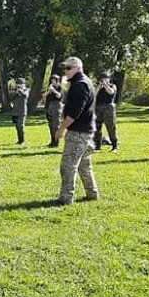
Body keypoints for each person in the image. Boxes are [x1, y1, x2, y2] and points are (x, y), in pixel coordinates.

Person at [54, 56, 98, 205]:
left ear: (78, 68)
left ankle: (66, 198)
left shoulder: (80, 85)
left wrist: (61, 129)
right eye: (65, 68)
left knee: (68, 165)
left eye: (69, 68)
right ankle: (92, 193)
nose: (66, 71)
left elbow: (75, 113)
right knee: (84, 165)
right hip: (85, 131)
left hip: (78, 133)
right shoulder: (82, 82)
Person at [94, 71, 119, 152]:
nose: (104, 80)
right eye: (102, 79)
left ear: (109, 79)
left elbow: (111, 92)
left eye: (106, 79)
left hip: (108, 108)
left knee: (111, 127)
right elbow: (93, 95)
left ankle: (115, 146)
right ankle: (97, 145)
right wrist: (99, 86)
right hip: (98, 108)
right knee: (97, 127)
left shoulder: (113, 86)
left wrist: (105, 85)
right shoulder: (98, 87)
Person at [42, 73, 64, 147]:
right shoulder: (50, 88)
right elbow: (43, 96)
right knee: (50, 124)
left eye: (54, 80)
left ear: (57, 81)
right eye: (52, 80)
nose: (53, 82)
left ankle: (56, 142)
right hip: (50, 106)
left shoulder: (60, 87)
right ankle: (52, 141)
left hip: (57, 106)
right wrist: (49, 90)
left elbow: (59, 96)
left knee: (56, 125)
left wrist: (53, 90)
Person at [10, 77, 30, 144]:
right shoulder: (15, 91)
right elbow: (11, 98)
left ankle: (22, 140)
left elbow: (25, 96)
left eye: (21, 84)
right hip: (15, 111)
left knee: (20, 126)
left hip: (22, 111)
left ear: (24, 84)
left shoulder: (26, 90)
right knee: (17, 126)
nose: (19, 85)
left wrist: (20, 91)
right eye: (18, 84)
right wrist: (16, 93)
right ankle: (19, 140)